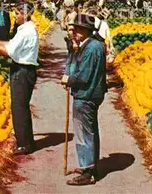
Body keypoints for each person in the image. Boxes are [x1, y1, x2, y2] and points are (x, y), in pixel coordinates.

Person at [0, 2, 38, 156]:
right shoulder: (25, 29)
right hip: (24, 69)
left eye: (17, 13)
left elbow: (8, 51)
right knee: (21, 106)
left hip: (23, 71)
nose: (14, 15)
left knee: (19, 107)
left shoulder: (26, 31)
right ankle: (27, 141)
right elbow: (12, 45)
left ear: (25, 14)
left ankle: (24, 145)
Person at [62, 14, 107, 186]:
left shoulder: (91, 48)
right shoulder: (91, 45)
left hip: (86, 95)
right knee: (90, 131)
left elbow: (83, 75)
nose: (74, 32)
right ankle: (90, 166)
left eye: (77, 29)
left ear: (85, 30)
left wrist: (68, 80)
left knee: (83, 133)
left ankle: (88, 171)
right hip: (91, 94)